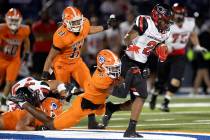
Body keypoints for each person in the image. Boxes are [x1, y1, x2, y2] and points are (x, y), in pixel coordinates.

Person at [102, 4, 173, 137]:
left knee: (137, 100)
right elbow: (127, 38)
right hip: (128, 61)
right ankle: (93, 94)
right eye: (164, 20)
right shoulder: (145, 22)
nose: (166, 24)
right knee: (121, 92)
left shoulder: (166, 32)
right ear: (157, 17)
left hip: (141, 64)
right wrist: (131, 45)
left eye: (168, 20)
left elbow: (152, 46)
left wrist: (159, 51)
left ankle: (115, 112)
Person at [9, 49, 124, 131]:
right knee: (50, 121)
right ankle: (25, 104)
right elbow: (119, 92)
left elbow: (57, 85)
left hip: (88, 103)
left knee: (52, 112)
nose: (116, 70)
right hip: (83, 105)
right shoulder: (101, 80)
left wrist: (65, 91)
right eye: (112, 68)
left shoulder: (44, 89)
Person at [40, 6, 117, 129]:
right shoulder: (60, 36)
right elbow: (50, 56)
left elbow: (89, 30)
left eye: (78, 21)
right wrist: (45, 73)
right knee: (62, 95)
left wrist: (106, 26)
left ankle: (91, 122)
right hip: (61, 65)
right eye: (74, 22)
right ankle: (49, 120)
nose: (77, 24)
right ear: (66, 23)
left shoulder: (84, 23)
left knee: (90, 89)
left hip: (77, 62)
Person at [149, 3, 207, 112]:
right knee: (160, 82)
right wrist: (165, 46)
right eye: (177, 14)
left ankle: (165, 102)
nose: (179, 16)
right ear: (172, 14)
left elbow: (192, 34)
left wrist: (197, 45)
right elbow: (156, 39)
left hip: (179, 54)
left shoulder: (190, 22)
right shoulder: (166, 23)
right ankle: (154, 96)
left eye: (181, 14)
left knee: (177, 79)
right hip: (165, 55)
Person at [0, 8, 30, 110]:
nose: (13, 22)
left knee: (10, 82)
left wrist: (26, 53)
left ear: (20, 21)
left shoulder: (24, 30)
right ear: (7, 20)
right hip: (1, 58)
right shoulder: (2, 29)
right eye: (11, 20)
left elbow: (26, 42)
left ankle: (3, 102)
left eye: (15, 20)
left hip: (14, 60)